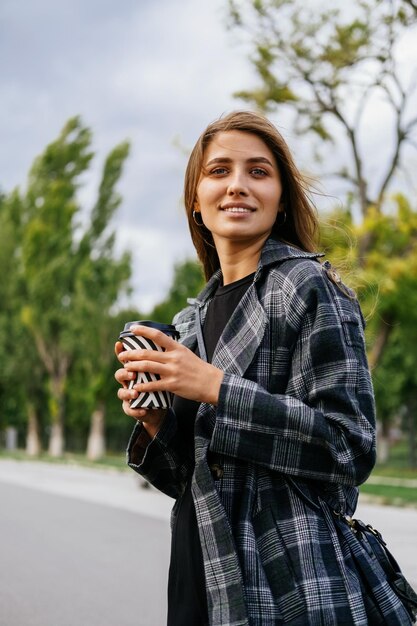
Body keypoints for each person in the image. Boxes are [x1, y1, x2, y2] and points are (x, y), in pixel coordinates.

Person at [115, 111, 377, 625]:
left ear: (280, 198)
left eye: (258, 172)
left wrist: (215, 387)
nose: (237, 185)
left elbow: (350, 447)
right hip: (198, 573)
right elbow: (198, 481)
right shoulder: (189, 324)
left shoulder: (308, 287)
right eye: (218, 171)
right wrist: (158, 423)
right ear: (196, 198)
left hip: (290, 582)